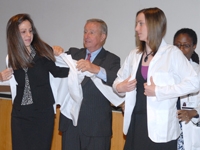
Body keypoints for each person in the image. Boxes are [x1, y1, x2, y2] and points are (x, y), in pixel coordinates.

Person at [112, 7, 199, 150]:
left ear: (153, 25)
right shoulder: (134, 55)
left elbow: (194, 82)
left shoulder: (172, 53)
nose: (136, 28)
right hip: (135, 123)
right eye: (136, 23)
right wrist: (120, 87)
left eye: (141, 23)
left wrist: (159, 91)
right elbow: (117, 81)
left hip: (162, 128)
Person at [0, 14, 69, 150]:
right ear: (14, 35)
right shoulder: (11, 58)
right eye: (23, 31)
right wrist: (1, 78)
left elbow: (58, 72)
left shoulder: (43, 52)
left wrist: (77, 70)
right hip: (20, 114)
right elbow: (12, 82)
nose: (28, 35)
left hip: (42, 113)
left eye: (30, 31)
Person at [56, 18, 120, 150]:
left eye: (91, 32)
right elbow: (54, 68)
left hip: (96, 128)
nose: (86, 36)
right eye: (85, 32)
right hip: (70, 126)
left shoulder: (112, 59)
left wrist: (95, 69)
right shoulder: (73, 54)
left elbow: (116, 81)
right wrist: (54, 53)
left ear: (103, 36)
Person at [173, 28, 200, 150]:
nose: (181, 50)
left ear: (194, 46)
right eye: (177, 45)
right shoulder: (165, 71)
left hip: (189, 127)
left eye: (186, 46)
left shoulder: (198, 72)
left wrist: (194, 112)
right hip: (168, 128)